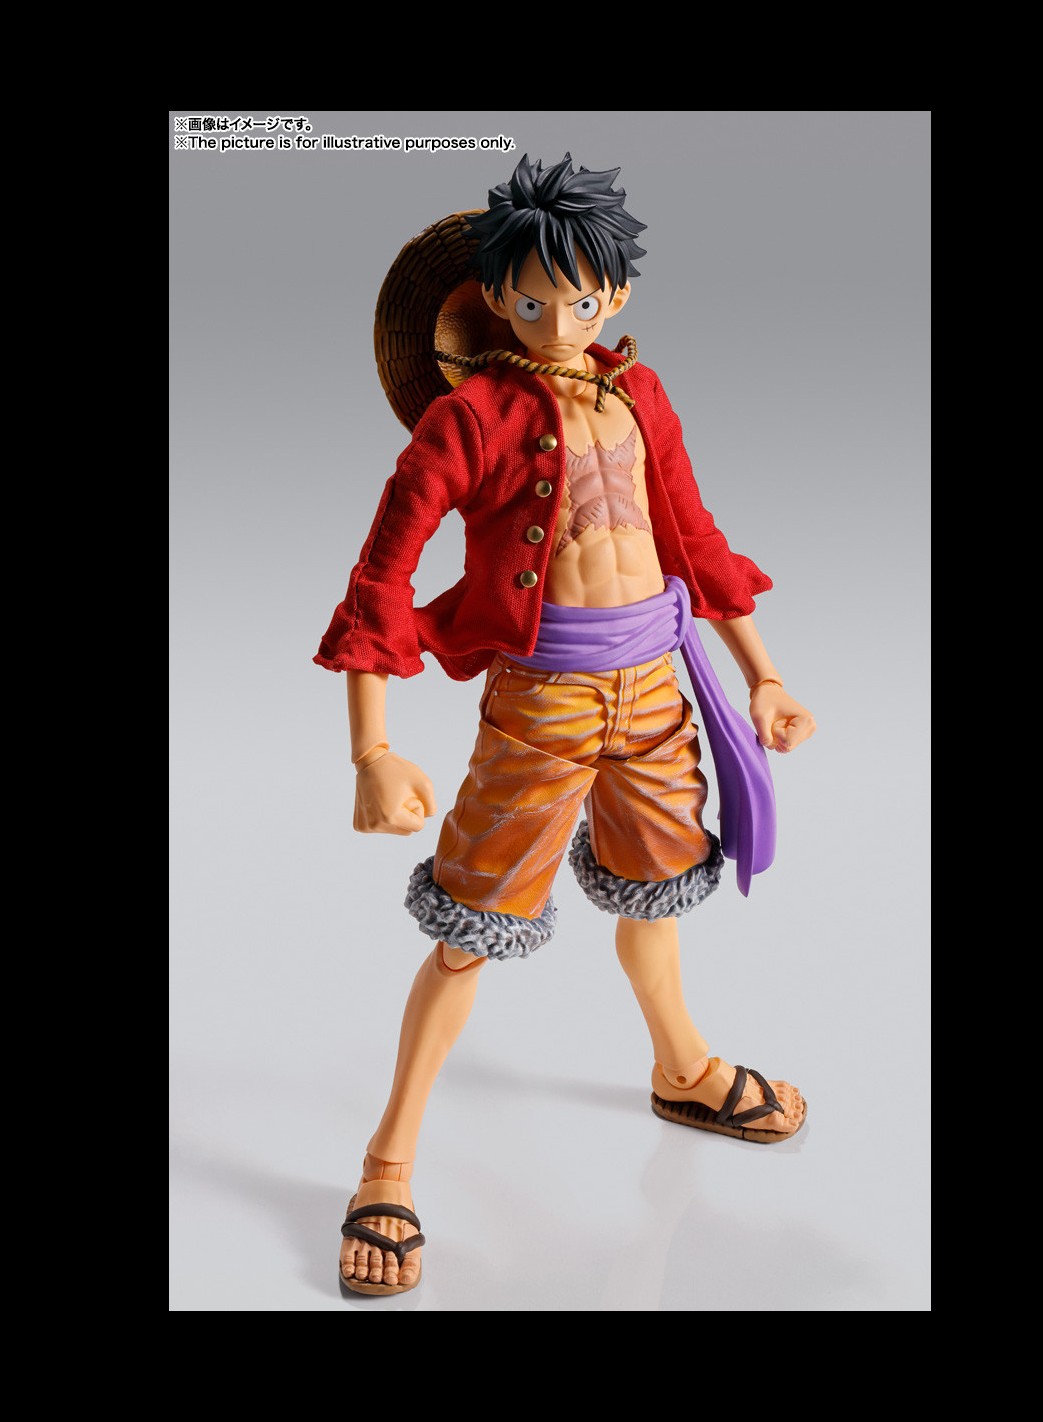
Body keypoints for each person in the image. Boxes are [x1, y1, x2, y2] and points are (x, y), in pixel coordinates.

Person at [316, 153, 816, 1296]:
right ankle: (387, 1163)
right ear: (492, 295)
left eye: (580, 300)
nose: (557, 322)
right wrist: (370, 748)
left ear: (616, 294)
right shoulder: (466, 421)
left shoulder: (640, 396)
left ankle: (681, 1067)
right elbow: (380, 578)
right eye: (532, 301)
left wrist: (763, 676)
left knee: (657, 893)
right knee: (469, 931)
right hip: (537, 708)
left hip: (653, 696)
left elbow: (693, 541)